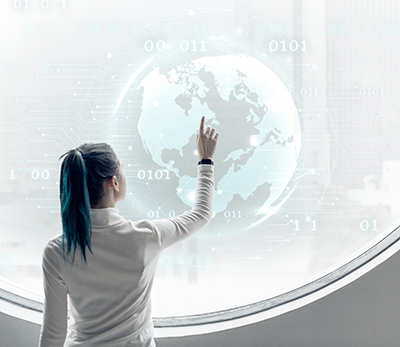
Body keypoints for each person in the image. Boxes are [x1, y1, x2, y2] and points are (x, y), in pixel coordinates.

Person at [38, 116, 218, 347]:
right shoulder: (145, 237)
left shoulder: (56, 251)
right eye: (122, 170)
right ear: (113, 182)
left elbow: (53, 336)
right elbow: (201, 213)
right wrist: (205, 160)